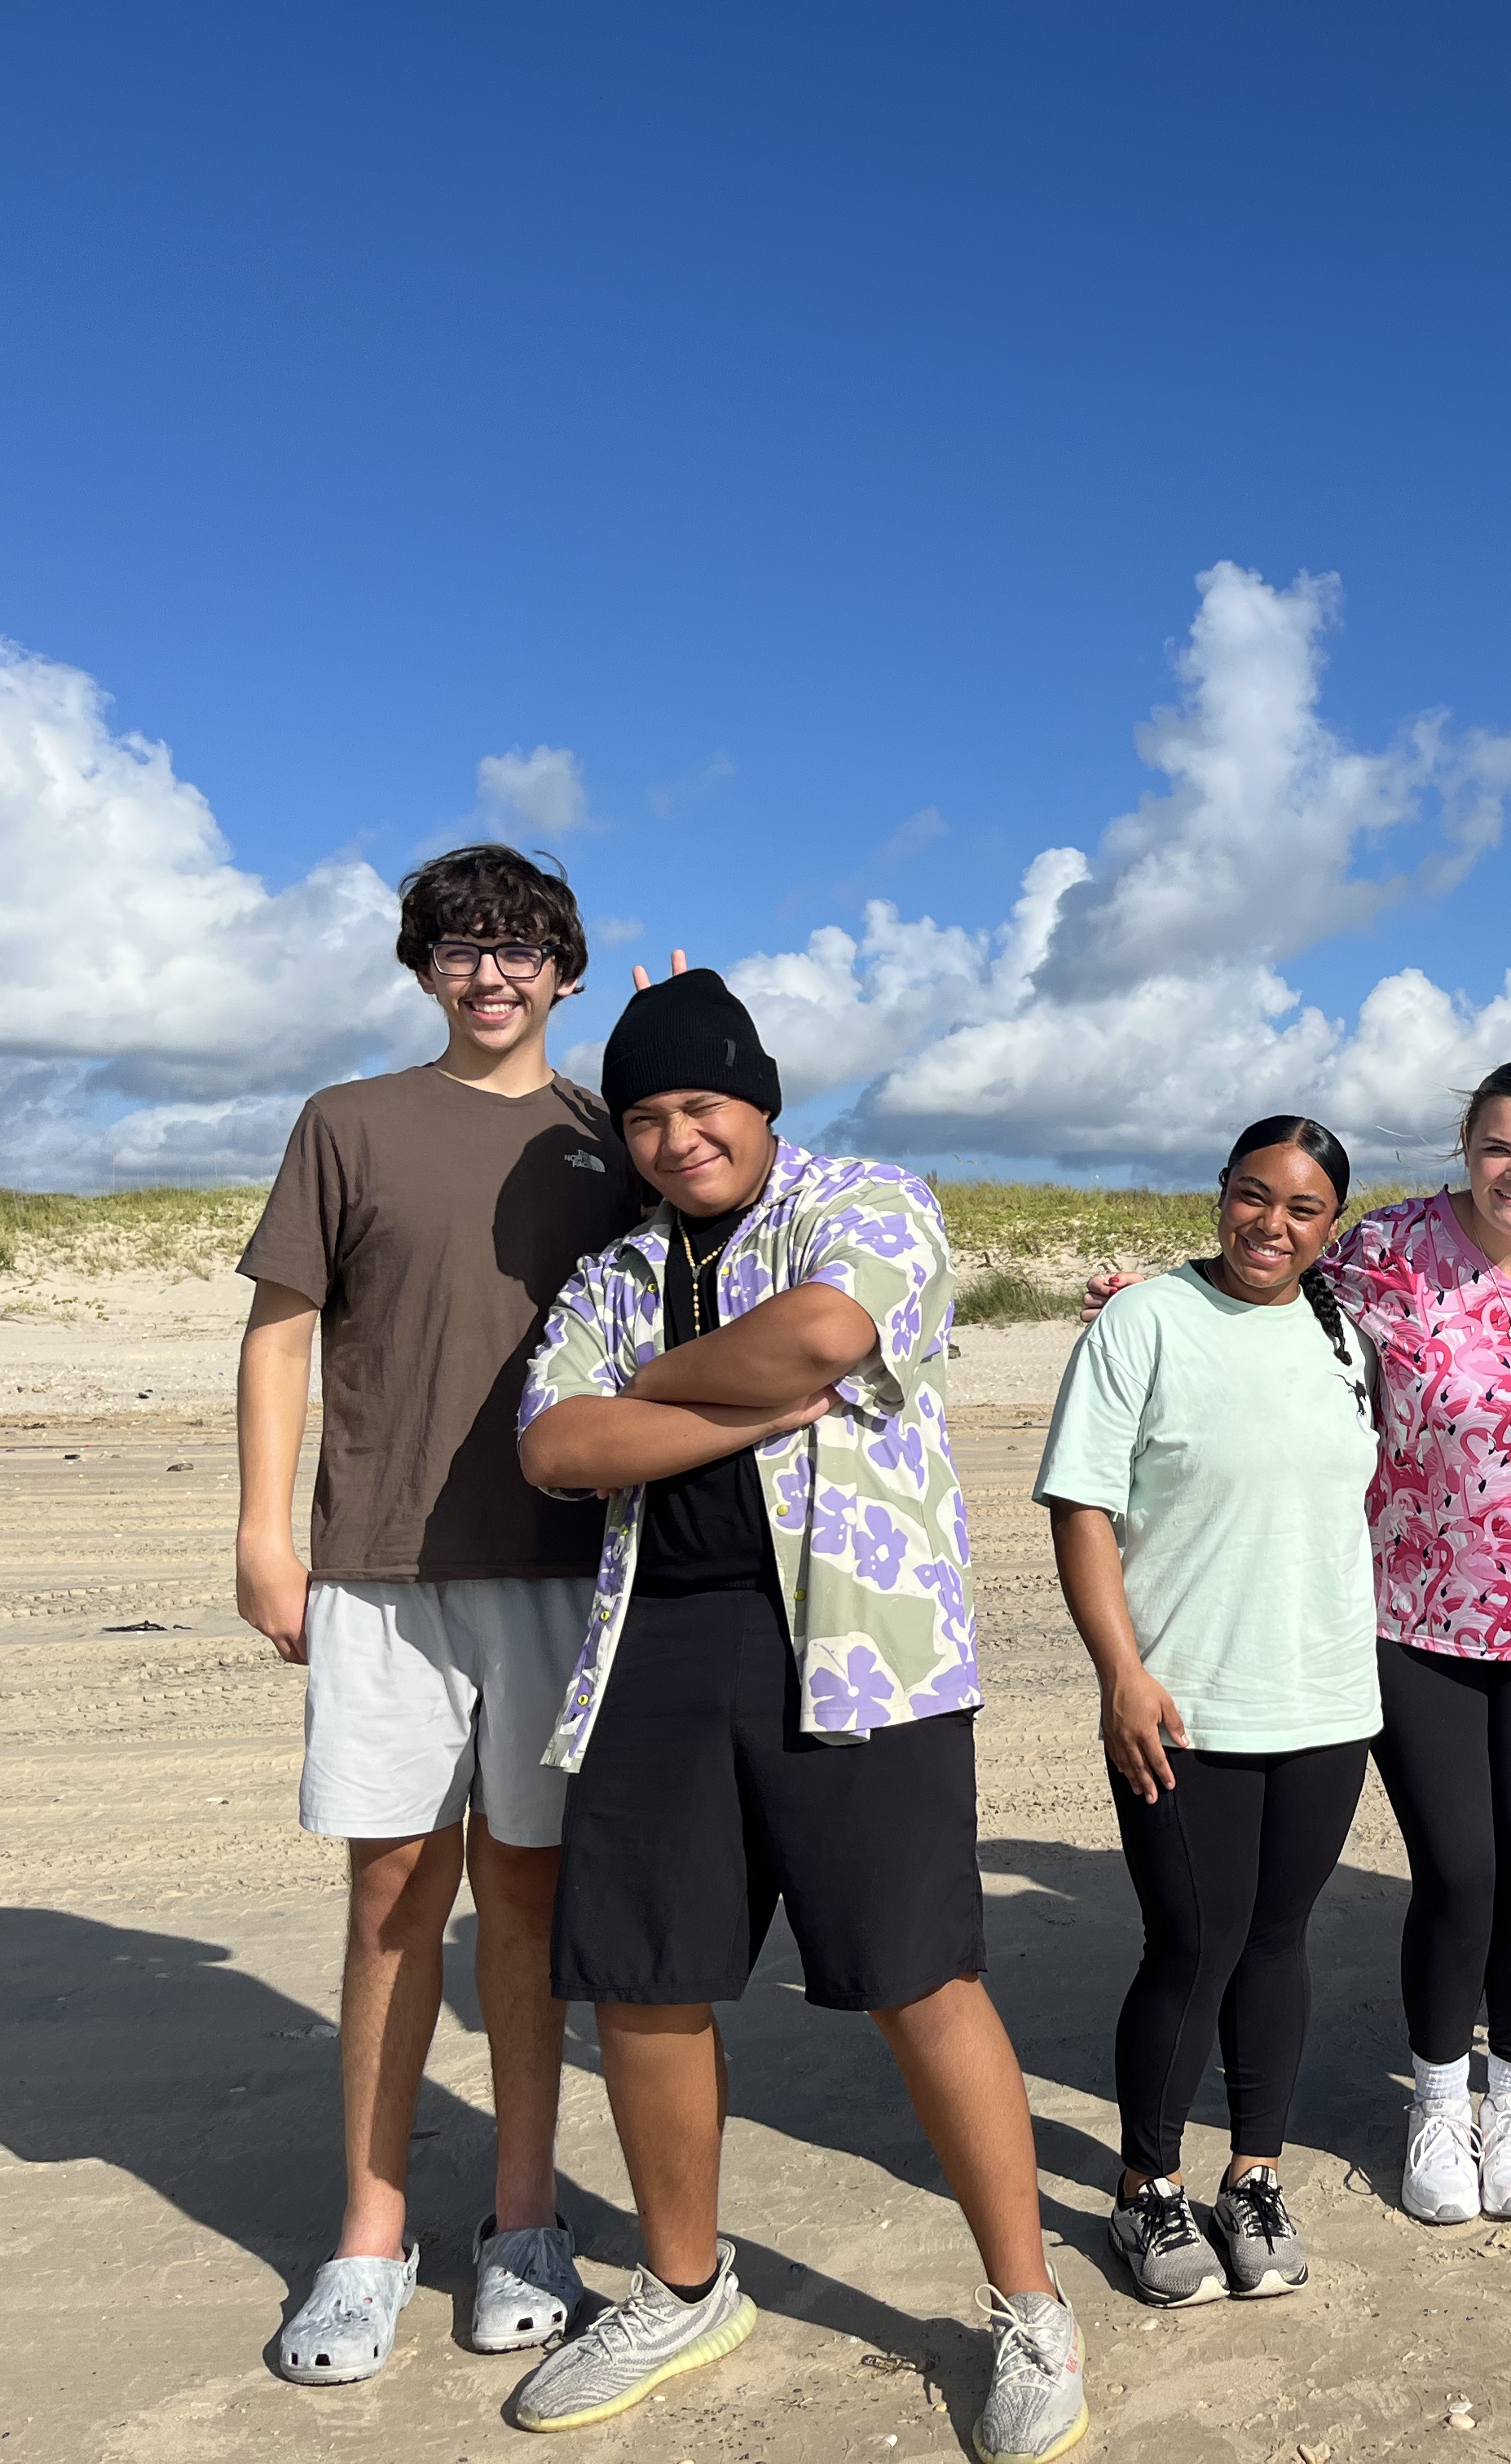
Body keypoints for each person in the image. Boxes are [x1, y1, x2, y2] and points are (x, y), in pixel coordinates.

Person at [508, 969, 1085, 2462]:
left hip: (861, 1647)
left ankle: (1028, 2303)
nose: (676, 1137)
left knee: (920, 1973)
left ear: (760, 1101)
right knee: (646, 1976)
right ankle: (685, 2282)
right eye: (644, 1114)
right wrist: (736, 1398)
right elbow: (565, 1443)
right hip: (660, 1647)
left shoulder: (865, 1196)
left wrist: (702, 1389)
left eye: (704, 1103)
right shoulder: (614, 1274)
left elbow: (825, 1331)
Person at [1087, 1059, 1511, 2228]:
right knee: (1460, 1869)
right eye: (1500, 1147)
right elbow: (1266, 1279)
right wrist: (1156, 1300)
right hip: (1411, 1614)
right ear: (1466, 1145)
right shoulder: (1385, 1246)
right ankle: (1437, 2101)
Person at [236, 844, 645, 2386]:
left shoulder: (615, 1136)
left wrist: (705, 1046)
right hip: (382, 1561)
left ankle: (524, 2218)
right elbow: (282, 1336)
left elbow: (740, 1244)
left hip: (563, 1566)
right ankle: (366, 2229)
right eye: (463, 949)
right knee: (392, 1888)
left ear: (565, 966)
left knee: (530, 1903)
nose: (493, 973)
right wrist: (261, 1534)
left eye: (523, 947)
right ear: (422, 967)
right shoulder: (348, 1123)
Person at [1037, 1118, 1385, 2308]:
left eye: (1301, 1209)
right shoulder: (1144, 1323)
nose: (1271, 1227)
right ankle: (1145, 2189)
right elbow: (1080, 1506)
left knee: (1281, 1939)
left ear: (1332, 1225)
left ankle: (1254, 2175)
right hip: (1183, 1697)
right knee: (1195, 1941)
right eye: (1253, 1196)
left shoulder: (1349, 1335)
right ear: (1220, 1195)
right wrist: (1118, 1673)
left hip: (1327, 1695)